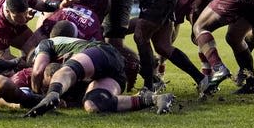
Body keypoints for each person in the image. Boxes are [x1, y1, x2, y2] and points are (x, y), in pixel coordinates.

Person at [79, 0, 215, 97]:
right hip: (151, 0)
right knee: (163, 46)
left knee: (140, 36)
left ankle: (149, 87)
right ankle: (203, 81)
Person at [24, 36, 175, 116]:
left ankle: (53, 94)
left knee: (68, 71)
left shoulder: (45, 45)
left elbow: (38, 71)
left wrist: (44, 95)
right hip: (115, 72)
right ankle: (153, 99)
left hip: (100, 52)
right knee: (94, 104)